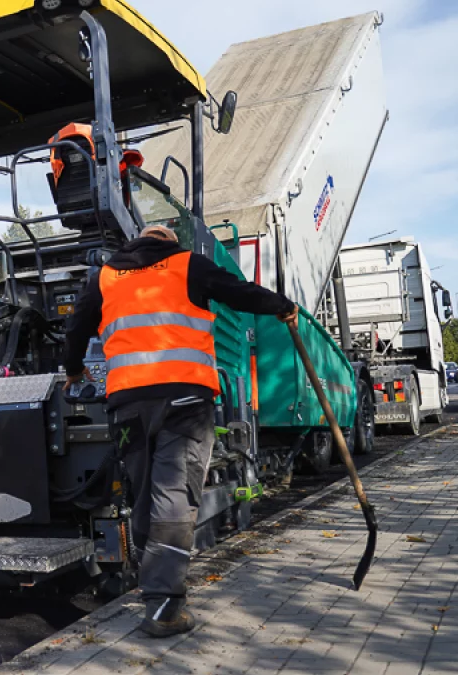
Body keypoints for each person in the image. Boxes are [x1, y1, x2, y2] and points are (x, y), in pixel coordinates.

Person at [62, 225, 297, 638]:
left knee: (143, 494)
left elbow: (77, 329)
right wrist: (282, 305)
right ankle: (163, 606)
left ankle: (151, 583)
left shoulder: (105, 276)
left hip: (128, 406)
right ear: (169, 243)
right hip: (184, 401)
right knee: (174, 495)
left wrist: (74, 371)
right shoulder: (186, 263)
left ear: (137, 242)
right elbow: (238, 291)